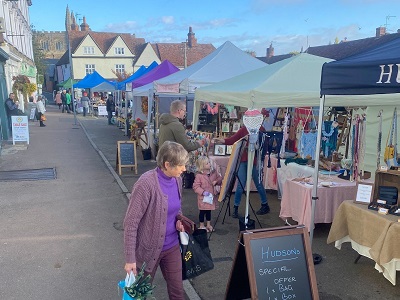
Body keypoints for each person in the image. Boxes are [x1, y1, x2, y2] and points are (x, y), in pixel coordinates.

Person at [123, 141, 189, 300]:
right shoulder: (146, 184)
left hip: (172, 246)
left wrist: (178, 220)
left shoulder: (177, 180)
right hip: (147, 250)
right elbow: (131, 223)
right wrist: (130, 258)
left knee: (177, 292)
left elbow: (176, 208)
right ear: (167, 164)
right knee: (140, 295)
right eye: (181, 165)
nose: (184, 169)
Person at [214, 126, 270, 218]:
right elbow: (233, 140)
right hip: (243, 160)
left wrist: (254, 147)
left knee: (258, 183)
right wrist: (221, 141)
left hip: (254, 161)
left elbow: (263, 145)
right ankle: (235, 207)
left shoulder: (261, 129)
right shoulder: (244, 129)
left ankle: (265, 204)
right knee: (241, 184)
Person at [192, 156, 223, 232]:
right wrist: (202, 192)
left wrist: (216, 181)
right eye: (207, 163)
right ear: (202, 166)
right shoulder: (199, 176)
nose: (209, 164)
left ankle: (209, 224)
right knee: (202, 211)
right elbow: (195, 186)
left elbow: (220, 178)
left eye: (209, 162)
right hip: (203, 198)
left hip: (210, 197)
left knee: (209, 211)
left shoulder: (213, 172)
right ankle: (202, 225)